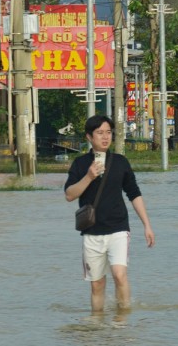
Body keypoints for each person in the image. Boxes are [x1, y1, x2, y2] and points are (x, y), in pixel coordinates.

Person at [65, 115, 155, 313]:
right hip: (91, 231)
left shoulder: (120, 162)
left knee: (119, 275)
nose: (105, 137)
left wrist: (147, 225)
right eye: (100, 133)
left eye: (108, 132)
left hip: (118, 228)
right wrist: (89, 176)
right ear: (89, 137)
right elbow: (69, 195)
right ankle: (97, 323)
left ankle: (122, 320)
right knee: (97, 285)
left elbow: (134, 194)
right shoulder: (80, 164)